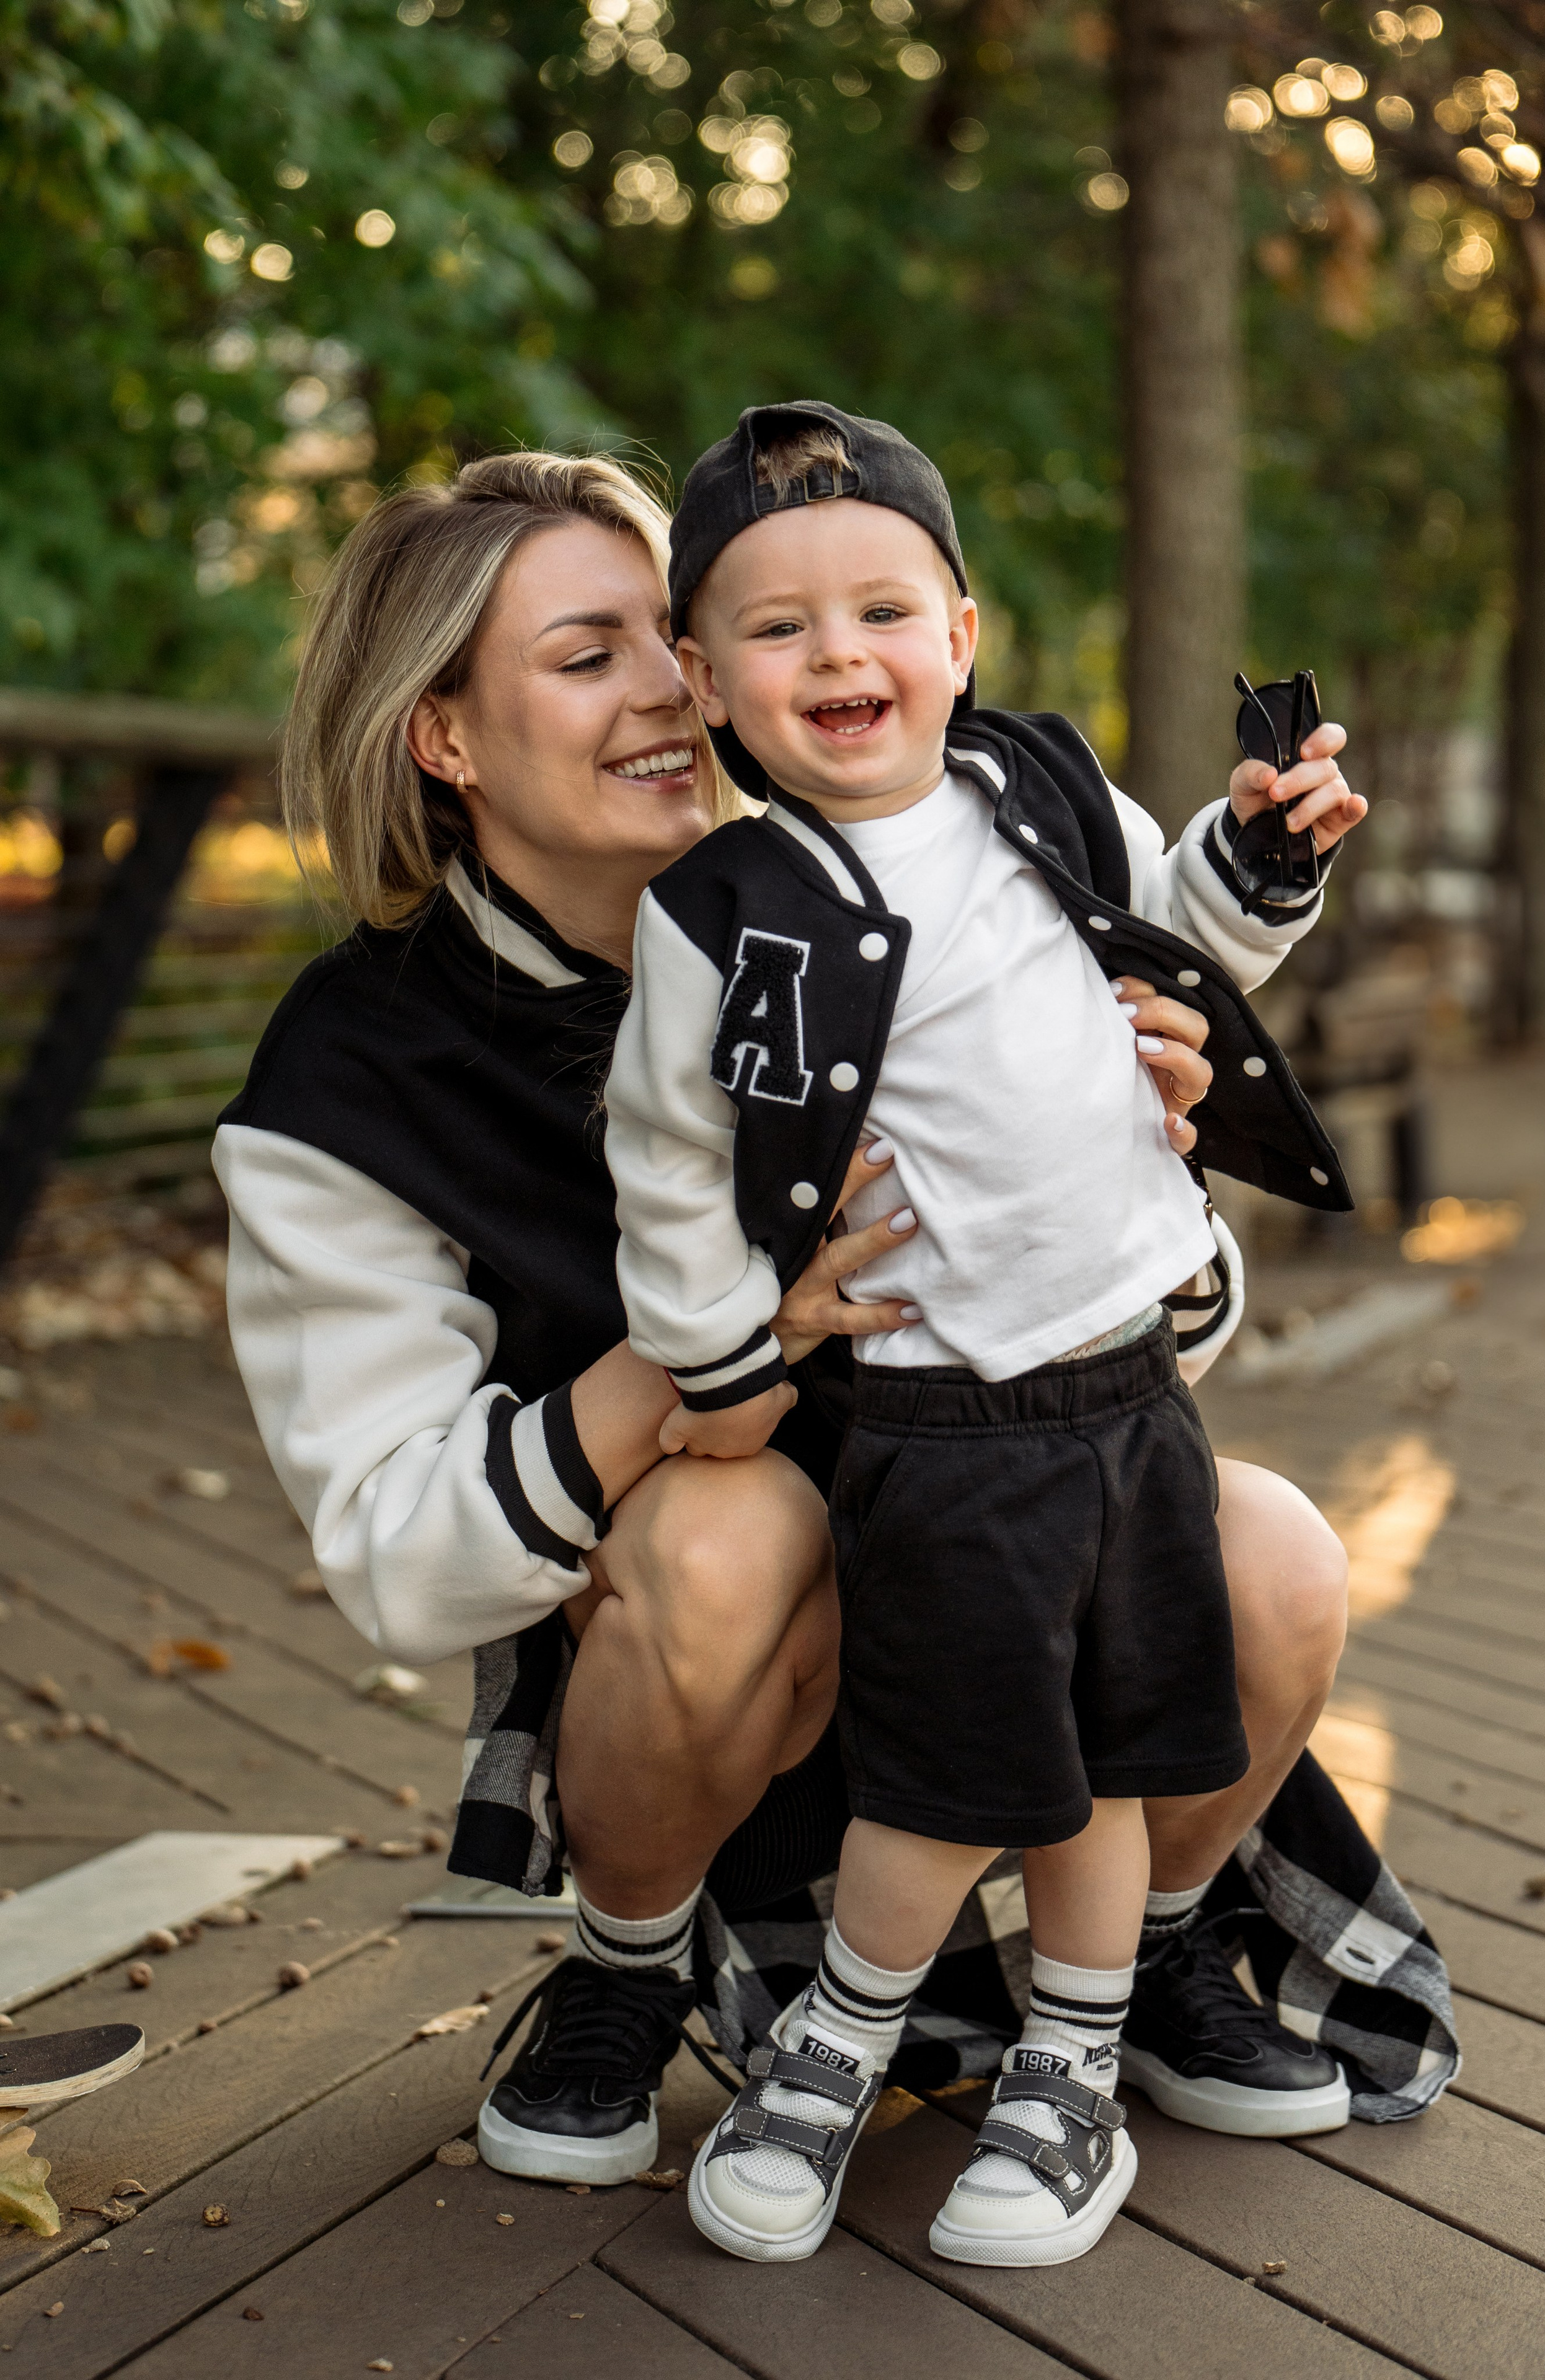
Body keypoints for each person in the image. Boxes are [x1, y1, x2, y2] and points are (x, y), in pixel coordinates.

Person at [211, 446, 1396, 2211]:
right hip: (714, 1683)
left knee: (1280, 1557)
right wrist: (704, 1357)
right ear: (443, 737)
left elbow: (1167, 1340)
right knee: (725, 1532)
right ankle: (629, 1959)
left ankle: (1133, 1964)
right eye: (583, 656)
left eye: (665, 642)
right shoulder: (348, 1079)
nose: (666, 698)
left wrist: (1137, 1151)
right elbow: (401, 1564)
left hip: (1018, 1519)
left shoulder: (926, 856)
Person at [601, 402, 1368, 2268]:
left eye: (883, 608)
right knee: (953, 1762)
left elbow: (1174, 931)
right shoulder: (724, 914)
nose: (839, 653)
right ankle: (841, 2038)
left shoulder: (1034, 789)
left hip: (1131, 1388)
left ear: (962, 632)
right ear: (703, 681)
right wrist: (719, 1359)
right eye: (777, 630)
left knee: (1107, 1754)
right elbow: (668, 1154)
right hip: (940, 1417)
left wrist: (1255, 860)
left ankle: (1074, 2076)